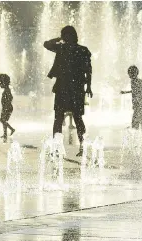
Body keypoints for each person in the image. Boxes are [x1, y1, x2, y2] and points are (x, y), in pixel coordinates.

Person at [44, 25, 93, 157]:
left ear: (73, 36)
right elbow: (46, 44)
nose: (65, 37)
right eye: (63, 35)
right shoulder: (62, 48)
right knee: (58, 118)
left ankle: (83, 146)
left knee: (77, 118)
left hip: (76, 88)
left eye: (67, 34)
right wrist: (60, 38)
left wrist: (88, 86)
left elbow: (88, 70)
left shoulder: (82, 50)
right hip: (63, 87)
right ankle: (56, 147)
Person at [121, 65, 142, 145]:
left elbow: (140, 90)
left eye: (129, 73)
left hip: (138, 104)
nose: (129, 75)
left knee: (135, 123)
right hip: (141, 104)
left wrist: (138, 101)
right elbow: (141, 90)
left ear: (132, 74)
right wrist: (126, 92)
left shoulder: (133, 81)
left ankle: (137, 140)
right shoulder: (139, 81)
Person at [0, 74, 15, 143]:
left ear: (3, 82)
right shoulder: (6, 89)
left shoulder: (7, 90)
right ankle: (5, 134)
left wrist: (7, 105)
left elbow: (10, 97)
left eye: (0, 83)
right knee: (3, 120)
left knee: (3, 120)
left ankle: (11, 130)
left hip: (7, 107)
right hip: (6, 107)